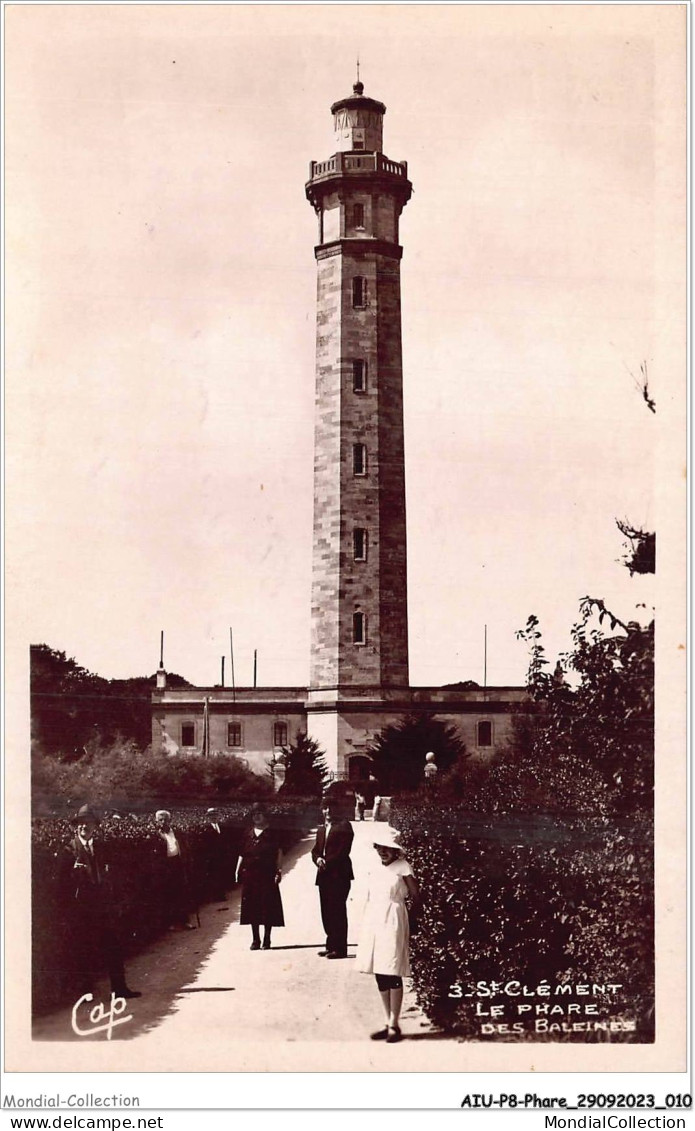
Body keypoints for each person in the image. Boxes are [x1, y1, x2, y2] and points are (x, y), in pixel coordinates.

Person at [67, 804, 141, 1000]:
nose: (85, 827)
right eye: (82, 824)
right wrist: (73, 873)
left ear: (95, 827)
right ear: (76, 827)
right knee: (84, 949)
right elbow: (60, 884)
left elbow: (112, 875)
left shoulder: (102, 847)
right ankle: (85, 992)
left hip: (104, 907)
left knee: (114, 947)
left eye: (89, 824)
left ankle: (120, 989)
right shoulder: (68, 849)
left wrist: (115, 901)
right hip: (82, 909)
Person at [355, 826, 421, 1043]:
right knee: (380, 970)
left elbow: (416, 896)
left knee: (392, 969)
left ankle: (394, 1024)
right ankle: (387, 1021)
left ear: (396, 851)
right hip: (374, 919)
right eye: (380, 847)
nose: (383, 851)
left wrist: (410, 921)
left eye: (388, 848)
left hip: (393, 918)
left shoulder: (403, 867)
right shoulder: (374, 867)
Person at [235, 805, 284, 950]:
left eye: (259, 813)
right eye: (254, 814)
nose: (256, 816)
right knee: (252, 906)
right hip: (250, 874)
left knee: (268, 905)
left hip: (267, 874)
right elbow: (242, 853)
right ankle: (255, 939)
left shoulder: (273, 833)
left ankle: (267, 938)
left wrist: (279, 871)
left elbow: (279, 853)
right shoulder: (248, 833)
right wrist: (237, 870)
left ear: (265, 815)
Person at [311, 796, 354, 959]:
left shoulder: (344, 826)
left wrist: (326, 862)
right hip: (323, 876)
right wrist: (317, 859)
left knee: (338, 911)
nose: (327, 811)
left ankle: (341, 949)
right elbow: (315, 850)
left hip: (339, 875)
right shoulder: (321, 829)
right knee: (326, 911)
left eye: (330, 807)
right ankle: (330, 945)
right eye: (324, 808)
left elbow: (343, 851)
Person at [154, 810, 196, 930]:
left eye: (166, 820)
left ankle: (185, 921)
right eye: (161, 820)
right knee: (169, 894)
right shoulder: (157, 835)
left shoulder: (177, 832)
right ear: (157, 821)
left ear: (170, 820)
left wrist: (187, 861)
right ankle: (172, 923)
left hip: (178, 863)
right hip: (165, 866)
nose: (163, 822)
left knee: (182, 893)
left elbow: (184, 847)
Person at [202, 807, 235, 903]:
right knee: (213, 876)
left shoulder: (222, 827)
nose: (214, 817)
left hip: (221, 856)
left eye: (215, 815)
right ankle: (215, 896)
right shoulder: (206, 828)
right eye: (212, 816)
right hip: (212, 857)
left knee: (221, 875)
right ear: (208, 817)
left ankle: (221, 893)